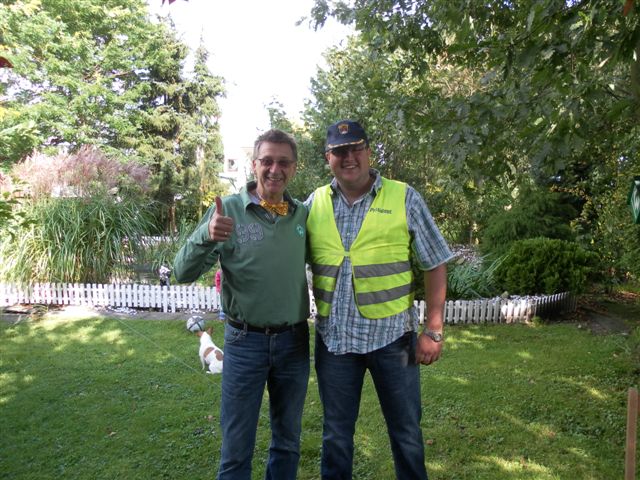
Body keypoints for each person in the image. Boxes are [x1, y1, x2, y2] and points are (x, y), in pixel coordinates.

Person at [306, 120, 453, 480]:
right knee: (336, 437)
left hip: (393, 342)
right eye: (340, 151)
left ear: (369, 152)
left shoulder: (404, 197)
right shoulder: (314, 204)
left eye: (356, 148)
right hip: (335, 343)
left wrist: (434, 329)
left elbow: (435, 261)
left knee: (406, 434)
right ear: (328, 158)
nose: (349, 157)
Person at [173, 129, 310, 480]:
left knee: (288, 441)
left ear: (294, 168)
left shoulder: (302, 215)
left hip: (293, 343)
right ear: (254, 164)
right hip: (244, 341)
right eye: (267, 161)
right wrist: (206, 235)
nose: (275, 169)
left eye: (284, 162)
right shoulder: (228, 209)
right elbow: (182, 272)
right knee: (236, 447)